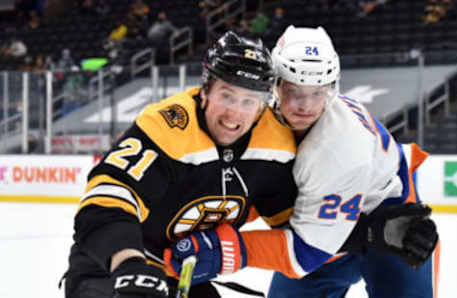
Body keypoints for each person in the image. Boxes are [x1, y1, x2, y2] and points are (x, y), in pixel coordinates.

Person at [167, 26, 439, 298]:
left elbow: (306, 253)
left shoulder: (340, 147)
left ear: (330, 89)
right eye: (294, 91)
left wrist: (220, 248)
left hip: (390, 223)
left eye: (317, 93)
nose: (305, 106)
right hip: (322, 223)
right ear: (274, 85)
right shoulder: (259, 119)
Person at [61, 31, 299, 298]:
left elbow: (298, 225)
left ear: (261, 107)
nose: (234, 112)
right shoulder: (169, 126)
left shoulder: (275, 143)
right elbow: (103, 201)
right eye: (227, 95)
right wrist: (128, 263)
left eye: (248, 101)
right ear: (205, 90)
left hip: (182, 275)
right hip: (111, 267)